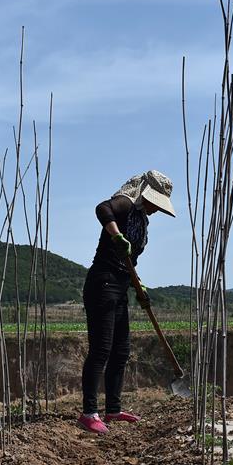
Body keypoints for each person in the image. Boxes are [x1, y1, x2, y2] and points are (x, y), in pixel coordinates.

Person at [77, 170, 176, 434]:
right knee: (101, 349)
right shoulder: (126, 204)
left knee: (121, 351)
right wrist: (115, 235)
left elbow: (129, 262)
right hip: (103, 283)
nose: (157, 209)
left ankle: (113, 409)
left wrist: (138, 284)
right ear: (146, 195)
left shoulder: (141, 220)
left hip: (120, 286)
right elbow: (102, 208)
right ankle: (88, 413)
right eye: (156, 202)